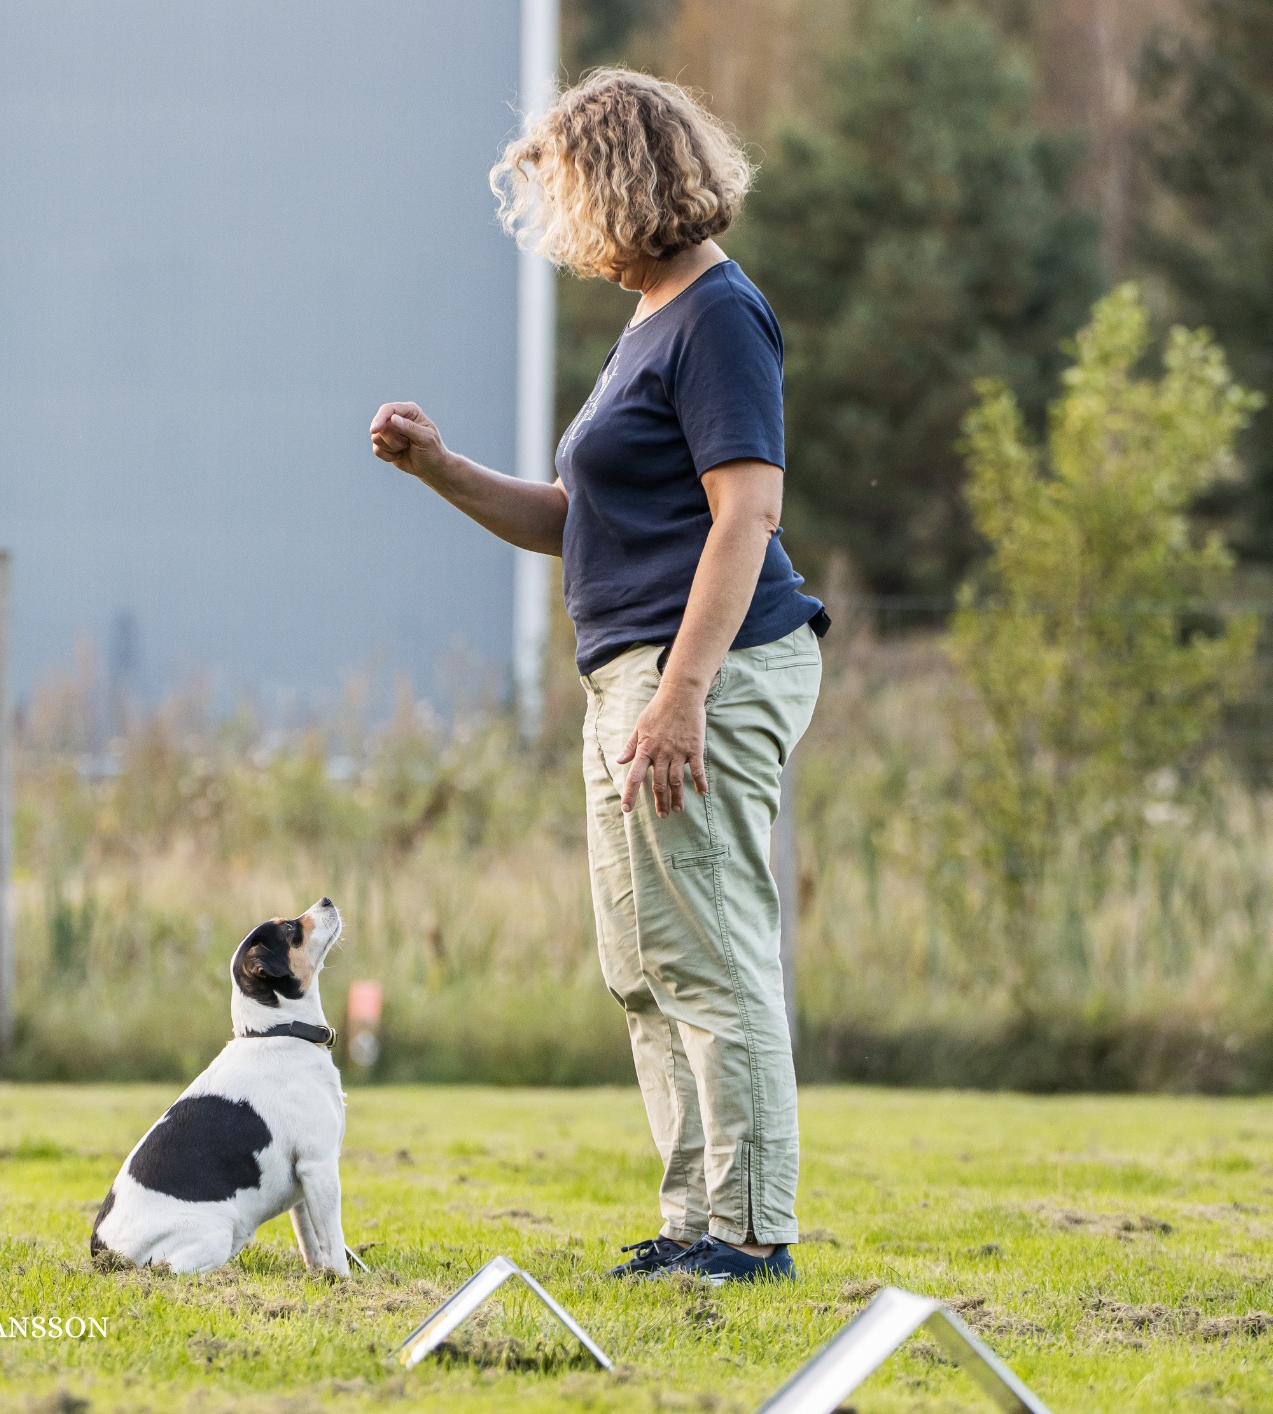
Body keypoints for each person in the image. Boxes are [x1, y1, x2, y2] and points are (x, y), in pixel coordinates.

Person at [368, 68, 825, 1284]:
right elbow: (577, 517)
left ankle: (748, 1233)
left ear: (619, 181)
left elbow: (747, 516)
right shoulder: (650, 322)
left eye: (563, 193)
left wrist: (681, 693)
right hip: (629, 673)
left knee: (711, 952)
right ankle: (693, 1225)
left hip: (703, 672)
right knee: (643, 966)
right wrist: (441, 469)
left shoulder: (719, 314)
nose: (558, 225)